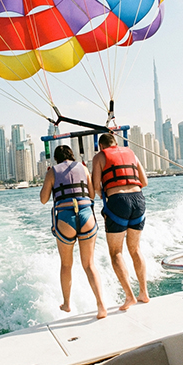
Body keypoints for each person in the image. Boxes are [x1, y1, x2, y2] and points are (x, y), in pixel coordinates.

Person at [41, 145, 107, 319]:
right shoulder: (83, 168)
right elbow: (91, 194)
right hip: (86, 217)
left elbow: (43, 199)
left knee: (66, 265)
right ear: (71, 155)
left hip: (65, 220)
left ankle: (67, 304)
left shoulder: (52, 172)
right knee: (89, 265)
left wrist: (49, 178)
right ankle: (101, 305)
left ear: (56, 158)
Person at [91, 133, 150, 311]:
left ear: (101, 146)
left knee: (116, 252)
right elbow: (144, 182)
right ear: (116, 143)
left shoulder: (99, 156)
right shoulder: (131, 152)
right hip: (138, 199)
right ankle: (144, 293)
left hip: (118, 201)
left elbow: (95, 187)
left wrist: (106, 195)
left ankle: (129, 296)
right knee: (135, 249)